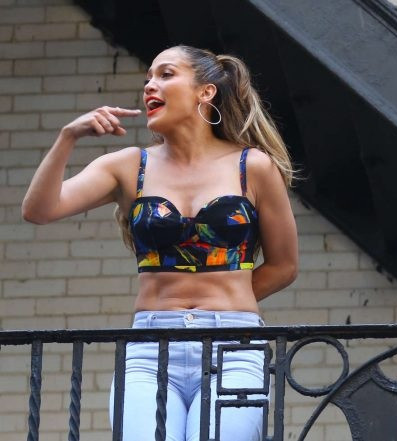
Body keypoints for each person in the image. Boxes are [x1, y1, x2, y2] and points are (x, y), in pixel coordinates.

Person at [22, 45, 298, 440]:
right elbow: (39, 210)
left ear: (206, 92)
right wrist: (69, 136)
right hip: (149, 348)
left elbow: (284, 265)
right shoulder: (128, 165)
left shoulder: (252, 165)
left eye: (166, 74)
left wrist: (225, 299)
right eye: (148, 78)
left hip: (234, 346)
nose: (150, 85)